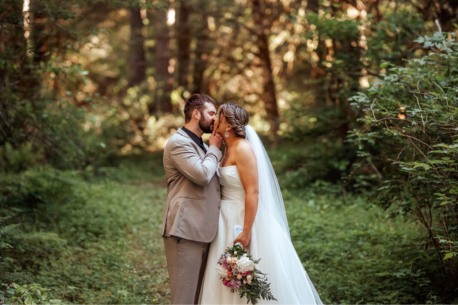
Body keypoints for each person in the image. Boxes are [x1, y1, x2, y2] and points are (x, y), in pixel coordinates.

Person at [199, 103, 323, 304]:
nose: (214, 120)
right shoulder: (227, 149)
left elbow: (253, 192)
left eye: (218, 117)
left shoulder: (242, 149)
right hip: (225, 219)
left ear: (228, 124)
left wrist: (246, 232)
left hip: (243, 218)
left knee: (250, 275)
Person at [161, 93, 224, 304]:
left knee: (198, 298)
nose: (215, 119)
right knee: (185, 297)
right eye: (212, 113)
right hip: (186, 229)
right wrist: (216, 147)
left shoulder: (202, 145)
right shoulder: (178, 143)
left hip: (204, 229)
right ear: (196, 114)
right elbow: (202, 175)